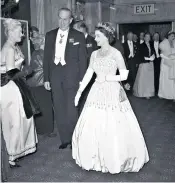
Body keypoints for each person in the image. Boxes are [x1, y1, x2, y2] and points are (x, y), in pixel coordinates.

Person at [72, 22, 149, 174]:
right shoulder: (94, 54)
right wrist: (79, 92)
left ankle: (113, 158)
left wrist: (107, 77)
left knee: (113, 123)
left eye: (98, 36)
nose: (95, 39)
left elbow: (125, 75)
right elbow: (89, 73)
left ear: (106, 37)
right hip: (96, 91)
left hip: (112, 89)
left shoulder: (115, 53)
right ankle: (94, 157)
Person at [43, 8, 87, 149]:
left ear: (71, 20)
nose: (62, 22)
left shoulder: (79, 36)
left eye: (65, 19)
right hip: (55, 76)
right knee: (60, 108)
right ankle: (65, 139)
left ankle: (74, 139)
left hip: (72, 77)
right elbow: (46, 59)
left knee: (72, 109)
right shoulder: (50, 35)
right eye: (60, 18)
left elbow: (82, 60)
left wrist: (82, 80)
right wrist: (46, 78)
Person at [0, 18, 39, 167]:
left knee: (21, 118)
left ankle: (15, 152)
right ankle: (11, 154)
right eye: (20, 31)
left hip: (15, 86)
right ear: (11, 32)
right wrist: (28, 71)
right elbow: (11, 73)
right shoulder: (9, 49)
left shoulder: (14, 46)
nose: (22, 34)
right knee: (14, 121)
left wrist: (24, 72)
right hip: (9, 88)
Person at [27, 35, 54, 136]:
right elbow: (48, 68)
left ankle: (40, 129)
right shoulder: (43, 53)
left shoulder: (35, 53)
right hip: (41, 83)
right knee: (46, 107)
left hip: (34, 84)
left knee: (39, 108)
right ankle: (47, 130)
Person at [73, 21, 98, 113]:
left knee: (88, 92)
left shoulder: (92, 41)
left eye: (81, 32)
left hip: (90, 71)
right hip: (79, 71)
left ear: (84, 30)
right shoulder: (76, 40)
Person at [133, 33, 155, 99]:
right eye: (146, 37)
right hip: (144, 63)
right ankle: (143, 93)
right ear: (144, 38)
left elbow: (153, 52)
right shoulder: (141, 45)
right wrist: (148, 58)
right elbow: (139, 56)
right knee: (143, 79)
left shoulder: (151, 44)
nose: (148, 38)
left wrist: (153, 56)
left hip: (150, 64)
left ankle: (148, 93)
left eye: (149, 37)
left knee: (149, 79)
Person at [158, 31, 175, 101]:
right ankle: (162, 94)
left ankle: (172, 95)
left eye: (174, 36)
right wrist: (169, 58)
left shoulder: (174, 43)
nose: (173, 38)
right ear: (168, 36)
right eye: (172, 36)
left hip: (172, 63)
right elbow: (161, 55)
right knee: (164, 78)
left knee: (172, 79)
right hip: (165, 63)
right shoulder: (163, 43)